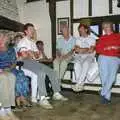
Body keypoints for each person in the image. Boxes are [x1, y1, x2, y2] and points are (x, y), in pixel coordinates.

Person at [16, 23, 68, 109]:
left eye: (33, 29)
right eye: (31, 29)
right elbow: (24, 56)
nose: (33, 31)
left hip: (34, 62)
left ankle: (56, 93)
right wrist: (30, 53)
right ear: (26, 31)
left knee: (52, 72)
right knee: (40, 73)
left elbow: (37, 55)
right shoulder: (22, 42)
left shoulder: (33, 42)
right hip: (24, 63)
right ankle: (42, 98)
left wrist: (31, 53)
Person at [96, 21, 120, 104]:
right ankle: (107, 98)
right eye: (104, 27)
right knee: (104, 77)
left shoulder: (118, 36)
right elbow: (98, 49)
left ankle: (102, 91)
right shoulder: (102, 38)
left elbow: (118, 48)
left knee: (112, 77)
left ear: (111, 27)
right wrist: (108, 48)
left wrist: (115, 47)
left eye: (107, 26)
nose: (105, 28)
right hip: (103, 57)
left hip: (114, 58)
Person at [0, 30, 20, 120]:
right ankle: (2, 111)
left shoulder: (11, 49)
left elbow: (14, 62)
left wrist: (10, 68)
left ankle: (8, 109)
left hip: (7, 70)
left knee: (12, 76)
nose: (3, 38)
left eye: (4, 37)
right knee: (3, 77)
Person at [71, 24, 96, 92]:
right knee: (76, 65)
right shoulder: (78, 39)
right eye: (79, 30)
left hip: (89, 56)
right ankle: (80, 84)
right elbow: (76, 50)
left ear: (86, 29)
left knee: (86, 64)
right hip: (80, 56)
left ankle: (78, 84)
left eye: (81, 29)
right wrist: (86, 49)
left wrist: (82, 50)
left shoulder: (92, 39)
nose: (80, 31)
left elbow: (91, 50)